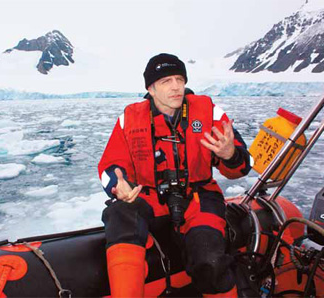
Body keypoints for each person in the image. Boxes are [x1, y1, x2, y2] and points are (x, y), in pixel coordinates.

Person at [98, 53, 252, 297]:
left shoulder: (209, 112)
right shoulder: (130, 118)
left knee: (209, 258)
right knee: (119, 213)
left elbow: (243, 166)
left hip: (198, 198)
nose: (176, 87)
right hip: (147, 198)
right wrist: (119, 185)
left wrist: (229, 154)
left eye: (179, 79)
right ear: (151, 87)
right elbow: (109, 167)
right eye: (166, 81)